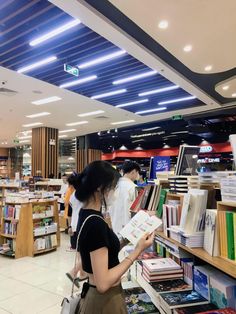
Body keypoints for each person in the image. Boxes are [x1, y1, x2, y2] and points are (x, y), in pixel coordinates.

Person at [73, 160, 153, 314]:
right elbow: (103, 283)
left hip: (97, 295)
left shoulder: (88, 214)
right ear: (100, 187)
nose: (115, 192)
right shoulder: (95, 223)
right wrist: (138, 251)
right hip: (104, 301)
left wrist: (128, 238)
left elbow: (103, 248)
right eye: (114, 187)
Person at [109, 161, 141, 238]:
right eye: (137, 173)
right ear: (133, 172)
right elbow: (137, 210)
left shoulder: (114, 186)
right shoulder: (133, 187)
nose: (138, 175)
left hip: (114, 224)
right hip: (129, 227)